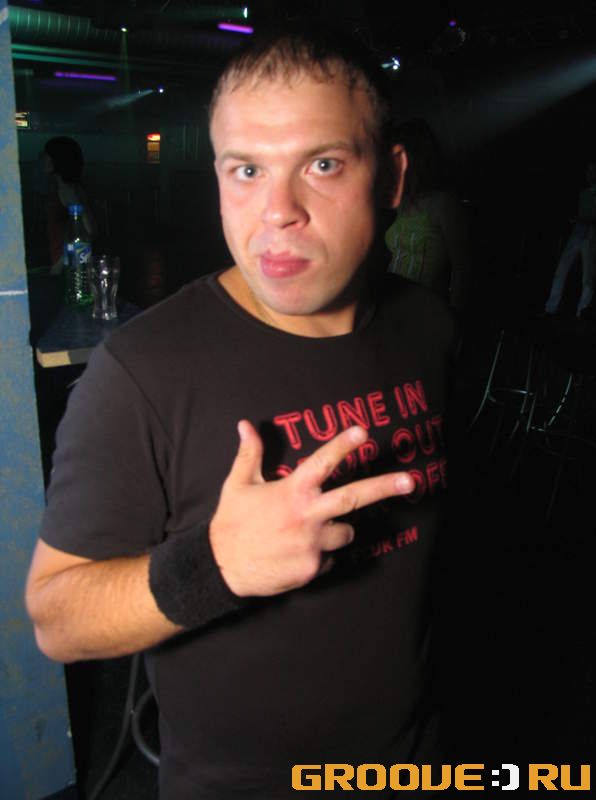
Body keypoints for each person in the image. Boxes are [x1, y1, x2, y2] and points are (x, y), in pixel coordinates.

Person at [26, 24, 457, 799]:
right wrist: (216, 566)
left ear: (392, 177)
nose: (277, 211)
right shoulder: (141, 373)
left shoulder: (429, 327)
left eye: (323, 164)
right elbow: (57, 617)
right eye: (247, 170)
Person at [384, 119, 471, 311]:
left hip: (426, 308)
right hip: (392, 305)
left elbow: (463, 268)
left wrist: (453, 316)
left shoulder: (443, 204)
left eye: (397, 157)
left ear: (414, 159)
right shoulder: (403, 202)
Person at [544, 161, 596, 318]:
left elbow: (595, 217)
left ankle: (582, 313)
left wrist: (584, 220)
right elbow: (581, 212)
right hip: (578, 231)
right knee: (561, 270)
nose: (588, 174)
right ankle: (550, 308)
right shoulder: (583, 192)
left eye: (592, 170)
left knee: (588, 276)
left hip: (592, 234)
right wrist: (577, 219)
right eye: (587, 170)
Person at [42, 136, 97, 274]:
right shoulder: (67, 188)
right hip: (66, 263)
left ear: (58, 160)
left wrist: (60, 263)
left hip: (68, 266)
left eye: (48, 156)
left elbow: (89, 230)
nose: (44, 160)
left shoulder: (68, 190)